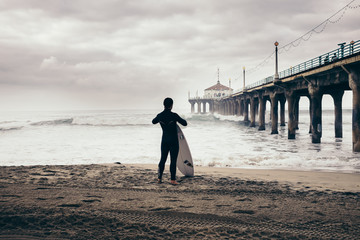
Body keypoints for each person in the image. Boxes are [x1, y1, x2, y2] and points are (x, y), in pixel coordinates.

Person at [152, 98, 187, 185]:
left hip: (164, 141)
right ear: (171, 105)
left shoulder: (160, 115)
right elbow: (184, 123)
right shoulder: (174, 115)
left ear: (164, 105)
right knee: (173, 160)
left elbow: (153, 121)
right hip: (173, 141)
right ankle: (173, 180)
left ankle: (159, 179)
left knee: (162, 159)